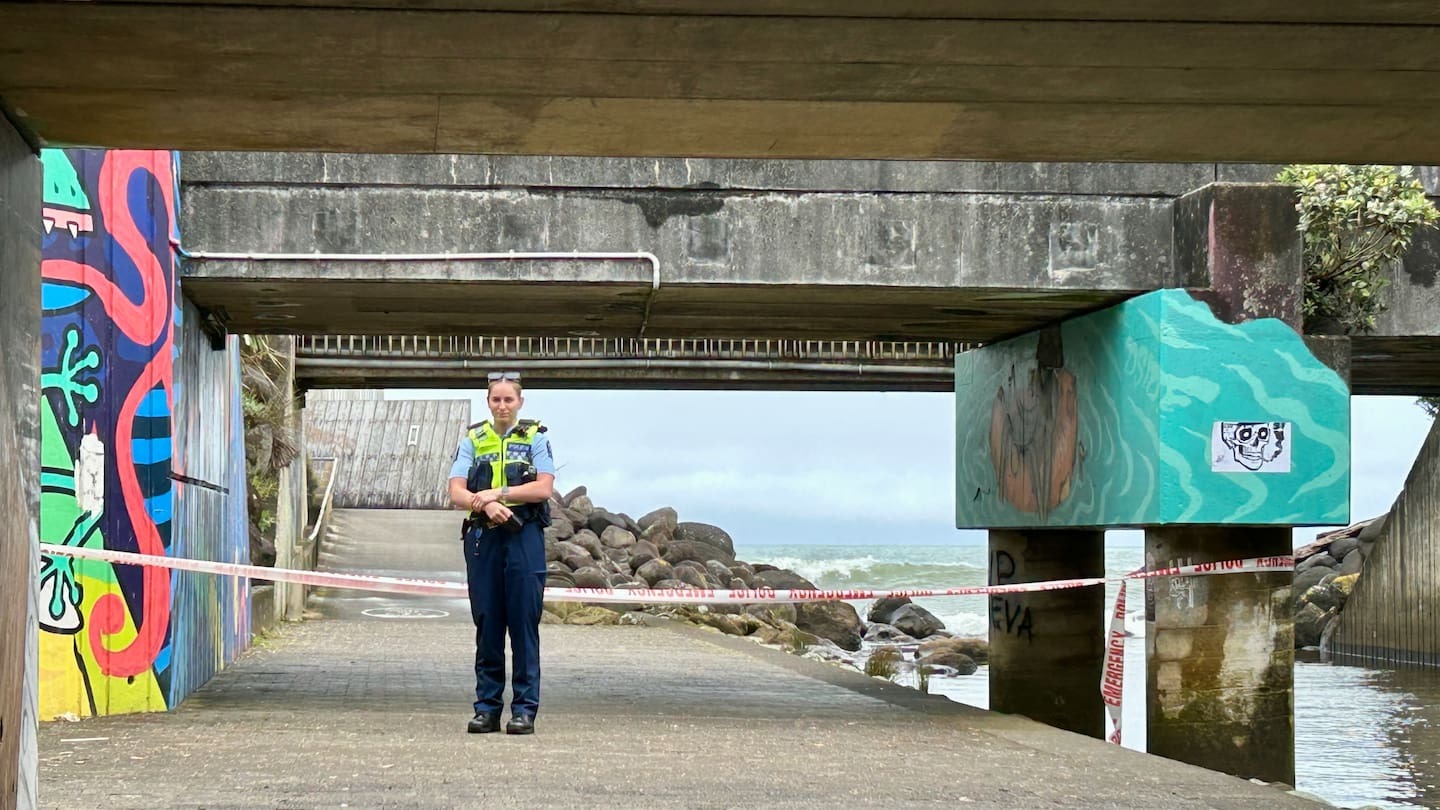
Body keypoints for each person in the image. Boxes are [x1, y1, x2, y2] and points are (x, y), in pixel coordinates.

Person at [447, 372, 555, 735]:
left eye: (509, 400)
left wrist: (500, 494)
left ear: (520, 402)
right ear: (488, 402)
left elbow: (542, 489)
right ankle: (487, 708)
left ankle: (524, 710)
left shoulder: (536, 438)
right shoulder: (473, 439)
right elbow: (457, 492)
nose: (503, 406)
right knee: (488, 623)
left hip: (524, 537)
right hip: (483, 539)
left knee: (524, 625)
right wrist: (486, 505)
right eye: (497, 400)